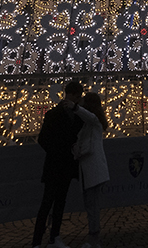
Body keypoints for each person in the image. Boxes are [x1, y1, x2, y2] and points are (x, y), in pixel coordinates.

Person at [32, 80, 83, 248]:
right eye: (78, 96)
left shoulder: (76, 115)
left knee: (60, 203)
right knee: (47, 203)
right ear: (72, 95)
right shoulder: (54, 114)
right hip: (55, 165)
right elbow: (43, 139)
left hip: (65, 167)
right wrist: (59, 151)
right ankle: (37, 242)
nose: (78, 99)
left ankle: (55, 237)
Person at [74, 92, 110, 248]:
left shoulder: (94, 121)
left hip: (93, 169)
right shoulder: (91, 124)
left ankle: (94, 237)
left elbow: (91, 117)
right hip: (90, 169)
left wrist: (75, 107)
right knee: (91, 204)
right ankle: (93, 236)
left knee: (92, 204)